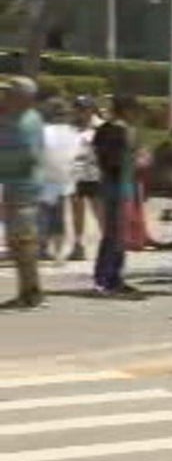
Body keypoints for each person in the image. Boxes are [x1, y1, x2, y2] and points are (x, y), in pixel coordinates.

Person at [0, 77, 45, 309]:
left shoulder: (25, 122)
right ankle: (27, 291)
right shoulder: (14, 118)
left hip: (23, 190)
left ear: (23, 98)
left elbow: (25, 159)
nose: (4, 96)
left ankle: (31, 293)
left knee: (23, 243)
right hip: (13, 188)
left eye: (9, 93)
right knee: (18, 243)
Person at [91, 94, 140, 295]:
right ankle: (107, 278)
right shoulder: (121, 131)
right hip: (119, 187)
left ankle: (111, 277)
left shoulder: (104, 130)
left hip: (111, 185)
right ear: (127, 110)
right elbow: (116, 162)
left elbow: (98, 154)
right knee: (116, 235)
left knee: (115, 235)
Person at [39, 99, 80, 263]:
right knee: (57, 218)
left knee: (45, 216)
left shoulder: (44, 131)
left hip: (47, 179)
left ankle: (46, 248)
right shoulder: (72, 132)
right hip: (62, 180)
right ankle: (56, 253)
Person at [68, 96, 103, 261]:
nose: (80, 112)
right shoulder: (72, 128)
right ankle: (78, 244)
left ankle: (107, 243)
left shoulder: (100, 126)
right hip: (76, 173)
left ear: (91, 109)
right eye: (78, 108)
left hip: (95, 174)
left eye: (83, 108)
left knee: (99, 209)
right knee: (77, 209)